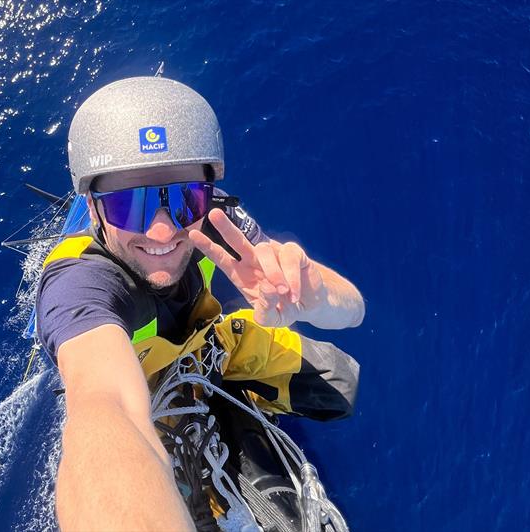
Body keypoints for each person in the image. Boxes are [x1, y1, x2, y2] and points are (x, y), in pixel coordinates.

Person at [35, 76, 365, 531]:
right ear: (92, 209)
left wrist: (313, 297)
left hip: (210, 346)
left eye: (184, 199)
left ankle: (228, 405)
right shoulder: (78, 283)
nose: (163, 231)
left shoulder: (220, 222)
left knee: (340, 384)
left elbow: (355, 310)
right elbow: (104, 403)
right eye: (130, 206)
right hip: (148, 387)